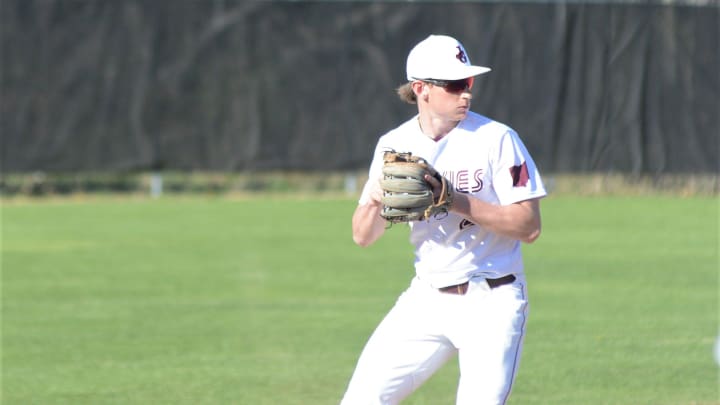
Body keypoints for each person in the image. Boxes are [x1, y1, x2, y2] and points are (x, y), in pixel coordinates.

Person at [341, 34, 547, 405]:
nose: (466, 93)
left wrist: (454, 200)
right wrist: (372, 200)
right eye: (454, 85)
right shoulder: (394, 145)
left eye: (468, 83)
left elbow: (529, 226)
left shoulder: (497, 138)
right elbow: (362, 237)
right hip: (427, 298)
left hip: (493, 299)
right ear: (421, 89)